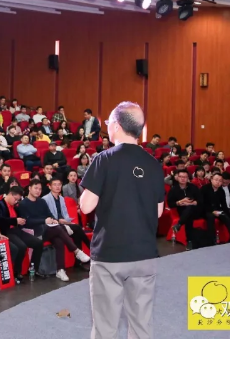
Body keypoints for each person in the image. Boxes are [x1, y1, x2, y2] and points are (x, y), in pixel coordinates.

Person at [79, 101, 164, 339]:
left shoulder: (104, 159)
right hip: (144, 254)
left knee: (106, 328)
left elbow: (86, 206)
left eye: (108, 122)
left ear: (115, 125)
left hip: (111, 254)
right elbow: (158, 212)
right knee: (141, 326)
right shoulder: (153, 164)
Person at [19, 180, 89, 282]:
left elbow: (49, 214)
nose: (38, 191)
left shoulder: (41, 202)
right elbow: (26, 222)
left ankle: (60, 270)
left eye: (40, 189)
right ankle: (76, 251)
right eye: (36, 188)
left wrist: (52, 219)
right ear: (29, 188)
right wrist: (44, 220)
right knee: (58, 229)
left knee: (58, 239)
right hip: (34, 233)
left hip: (47, 230)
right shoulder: (23, 204)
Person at [43, 178, 91, 258]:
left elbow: (65, 214)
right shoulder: (45, 199)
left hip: (63, 222)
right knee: (77, 228)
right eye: (55, 185)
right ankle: (91, 248)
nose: (57, 186)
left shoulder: (61, 198)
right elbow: (47, 216)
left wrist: (67, 221)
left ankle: (78, 261)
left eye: (59, 184)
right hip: (54, 225)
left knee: (76, 233)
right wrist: (58, 220)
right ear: (50, 187)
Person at [200, 173, 230, 242]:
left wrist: (229, 216)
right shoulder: (204, 189)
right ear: (211, 180)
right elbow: (201, 203)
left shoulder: (221, 191)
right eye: (216, 180)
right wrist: (212, 211)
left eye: (220, 181)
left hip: (217, 210)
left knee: (227, 218)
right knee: (210, 217)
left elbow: (224, 205)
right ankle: (212, 241)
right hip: (206, 210)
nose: (218, 182)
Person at [168, 169, 206, 251]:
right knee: (188, 217)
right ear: (177, 178)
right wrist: (179, 202)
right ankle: (189, 241)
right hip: (182, 211)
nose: (183, 179)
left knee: (190, 208)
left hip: (196, 211)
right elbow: (170, 204)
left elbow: (201, 200)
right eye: (181, 177)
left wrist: (193, 203)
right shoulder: (173, 190)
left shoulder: (193, 187)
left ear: (188, 178)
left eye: (185, 177)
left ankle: (179, 225)